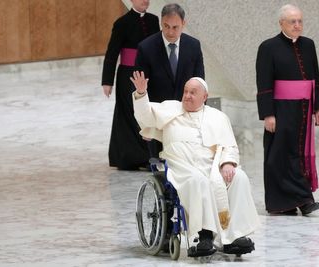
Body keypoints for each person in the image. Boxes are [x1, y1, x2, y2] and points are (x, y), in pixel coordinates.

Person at [131, 71, 260, 257]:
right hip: (182, 167)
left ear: (204, 97)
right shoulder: (170, 109)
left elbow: (229, 145)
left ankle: (234, 237)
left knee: (238, 177)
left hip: (213, 166)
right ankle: (204, 235)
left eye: (193, 93)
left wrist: (228, 163)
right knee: (199, 181)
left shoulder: (218, 117)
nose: (187, 96)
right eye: (185, 92)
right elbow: (145, 116)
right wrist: (142, 93)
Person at [256, 4, 319, 216]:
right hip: (281, 109)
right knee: (279, 155)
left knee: (298, 154)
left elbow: (316, 79)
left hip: (304, 109)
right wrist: (268, 114)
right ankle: (293, 201)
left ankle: (299, 199)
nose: (297, 25)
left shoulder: (308, 44)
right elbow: (264, 82)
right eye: (292, 21)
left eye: (300, 21)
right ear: (281, 23)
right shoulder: (268, 47)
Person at [135, 3, 205, 158]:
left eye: (175, 27)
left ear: (183, 24)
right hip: (159, 120)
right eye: (166, 26)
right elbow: (139, 89)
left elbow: (200, 83)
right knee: (161, 168)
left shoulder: (194, 46)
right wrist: (145, 124)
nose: (170, 32)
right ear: (161, 22)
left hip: (187, 118)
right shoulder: (146, 48)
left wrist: (202, 118)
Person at [101, 0, 159, 170]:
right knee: (130, 114)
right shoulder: (121, 23)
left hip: (149, 74)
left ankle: (150, 155)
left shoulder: (154, 20)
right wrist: (107, 81)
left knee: (148, 111)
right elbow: (112, 53)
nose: (145, 0)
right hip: (128, 75)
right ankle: (132, 158)